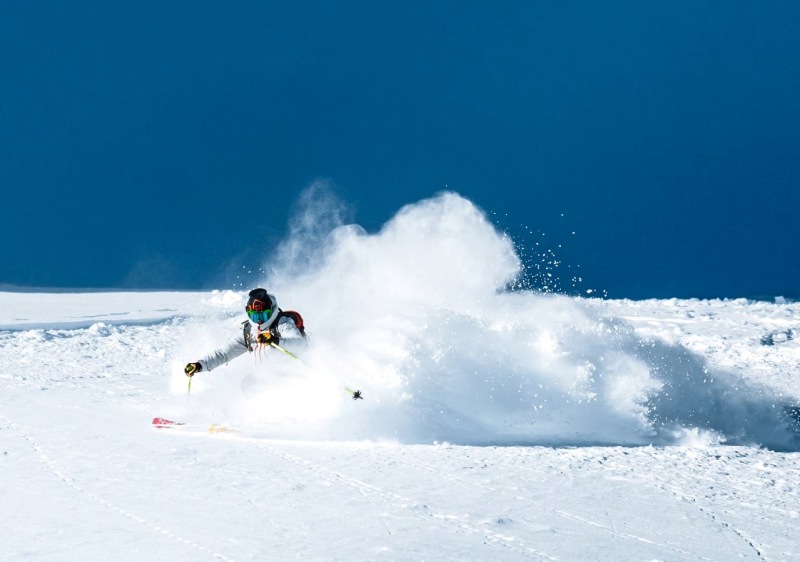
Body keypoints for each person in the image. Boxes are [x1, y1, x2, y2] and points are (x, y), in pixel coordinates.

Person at [184, 287, 307, 377]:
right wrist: (200, 365)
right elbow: (224, 354)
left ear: (272, 311)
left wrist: (274, 340)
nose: (259, 321)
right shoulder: (248, 332)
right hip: (267, 379)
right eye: (254, 316)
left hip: (293, 375)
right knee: (249, 384)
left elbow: (300, 344)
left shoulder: (283, 323)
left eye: (263, 316)